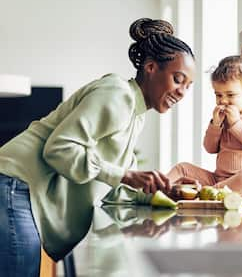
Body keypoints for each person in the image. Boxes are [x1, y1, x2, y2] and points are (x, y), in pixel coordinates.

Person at [0, 17, 196, 275]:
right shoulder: (117, 94)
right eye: (178, 79)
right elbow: (59, 149)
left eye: (188, 86)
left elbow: (116, 185)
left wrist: (165, 193)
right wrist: (125, 175)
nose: (182, 92)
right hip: (15, 183)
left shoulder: (136, 116)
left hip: (19, 189)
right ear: (150, 67)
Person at [167, 44, 242, 202]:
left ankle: (206, 195)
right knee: (182, 168)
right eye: (218, 95)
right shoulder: (222, 118)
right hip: (218, 180)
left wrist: (236, 123)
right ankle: (157, 190)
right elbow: (210, 148)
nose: (223, 100)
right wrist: (215, 125)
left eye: (230, 94)